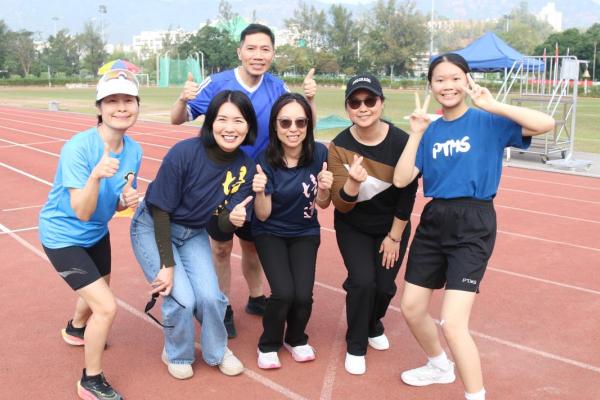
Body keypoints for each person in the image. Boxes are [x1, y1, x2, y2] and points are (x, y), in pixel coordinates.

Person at [393, 53, 555, 400]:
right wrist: (416, 134)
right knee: (411, 308)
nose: (447, 85)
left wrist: (494, 105)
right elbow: (402, 178)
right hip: (435, 220)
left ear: (467, 80)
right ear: (431, 86)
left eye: (455, 78)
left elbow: (546, 123)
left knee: (453, 324)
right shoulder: (430, 130)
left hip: (473, 221)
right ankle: (439, 366)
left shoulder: (488, 121)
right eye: (439, 79)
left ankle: (475, 395)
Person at [170, 23, 317, 338]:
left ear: (273, 53)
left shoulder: (277, 87)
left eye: (265, 49)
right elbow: (177, 119)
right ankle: (222, 307)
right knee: (221, 248)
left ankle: (256, 296)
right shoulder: (217, 84)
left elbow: (300, 124)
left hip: (257, 181)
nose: (258, 55)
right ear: (240, 51)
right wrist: (183, 100)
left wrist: (310, 98)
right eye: (251, 48)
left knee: (252, 246)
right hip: (219, 181)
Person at [131, 90, 257, 380]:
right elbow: (161, 210)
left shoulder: (246, 167)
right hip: (154, 225)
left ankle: (218, 350)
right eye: (222, 119)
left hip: (193, 232)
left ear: (248, 125)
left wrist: (232, 220)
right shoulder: (184, 153)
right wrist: (167, 265)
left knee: (211, 297)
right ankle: (176, 352)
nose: (230, 128)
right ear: (210, 122)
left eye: (238, 120)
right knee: (183, 299)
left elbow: (220, 225)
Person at [39, 69, 143, 400]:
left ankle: (75, 329)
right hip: (63, 236)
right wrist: (96, 176)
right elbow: (82, 210)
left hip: (96, 232)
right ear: (99, 107)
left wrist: (126, 200)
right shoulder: (78, 148)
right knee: (107, 307)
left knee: (99, 288)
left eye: (128, 100)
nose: (121, 107)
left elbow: (119, 197)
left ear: (137, 105)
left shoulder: (134, 150)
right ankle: (91, 380)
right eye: (112, 101)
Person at [328, 74, 419, 375]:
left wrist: (394, 237)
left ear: (381, 103)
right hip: (353, 226)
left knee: (384, 287)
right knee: (362, 281)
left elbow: (407, 195)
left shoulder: (402, 142)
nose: (363, 107)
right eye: (355, 102)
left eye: (370, 100)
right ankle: (356, 344)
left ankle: (373, 323)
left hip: (392, 226)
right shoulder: (339, 146)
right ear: (347, 108)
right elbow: (341, 204)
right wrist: (353, 183)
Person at [251, 93, 332, 369]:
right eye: (285, 122)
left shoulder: (320, 154)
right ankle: (268, 343)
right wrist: (260, 190)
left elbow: (322, 203)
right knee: (283, 292)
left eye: (300, 122)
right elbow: (263, 214)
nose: (293, 129)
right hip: (270, 230)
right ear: (275, 126)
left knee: (303, 295)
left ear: (308, 124)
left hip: (305, 231)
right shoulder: (265, 160)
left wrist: (324, 188)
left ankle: (296, 338)